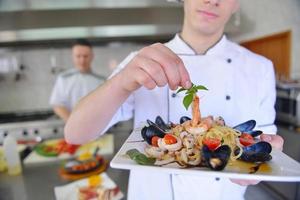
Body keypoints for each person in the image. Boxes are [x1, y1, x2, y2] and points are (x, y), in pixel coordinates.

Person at [65, 0, 284, 199]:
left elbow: (266, 143)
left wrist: (263, 160)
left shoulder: (259, 68)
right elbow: (75, 134)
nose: (212, 1)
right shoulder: (141, 62)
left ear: (236, 3)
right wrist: (121, 81)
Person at [49, 39, 105, 122]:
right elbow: (57, 105)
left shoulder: (101, 81)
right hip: (70, 128)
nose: (82, 60)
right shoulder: (63, 79)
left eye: (85, 56)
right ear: (73, 57)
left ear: (92, 56)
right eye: (78, 56)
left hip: (97, 128)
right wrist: (73, 123)